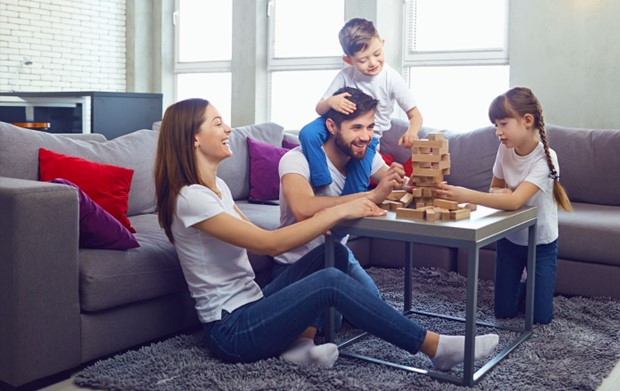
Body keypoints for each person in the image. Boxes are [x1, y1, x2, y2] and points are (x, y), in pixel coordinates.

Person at [154, 98, 500, 371]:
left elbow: (258, 233)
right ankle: (435, 348)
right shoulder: (190, 198)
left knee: (328, 255)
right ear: (194, 137)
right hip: (230, 330)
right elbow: (268, 243)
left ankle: (298, 347)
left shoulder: (217, 188)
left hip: (252, 304)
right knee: (331, 282)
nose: (229, 128)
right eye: (218, 123)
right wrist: (338, 210)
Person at [434, 87, 573, 324]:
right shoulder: (504, 150)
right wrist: (503, 195)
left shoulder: (546, 157)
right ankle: (525, 291)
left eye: (503, 124)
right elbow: (495, 189)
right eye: (495, 125)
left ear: (527, 121)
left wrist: (466, 194)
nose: (498, 132)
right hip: (510, 239)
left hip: (541, 242)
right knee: (504, 312)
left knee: (540, 317)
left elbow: (514, 200)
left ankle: (535, 290)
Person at [275, 86, 405, 299]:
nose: (365, 136)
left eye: (370, 127)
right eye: (356, 128)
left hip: (337, 254)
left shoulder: (365, 156)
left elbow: (397, 183)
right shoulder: (295, 159)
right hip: (296, 263)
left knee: (372, 300)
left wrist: (407, 180)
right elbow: (303, 208)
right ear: (331, 126)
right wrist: (372, 195)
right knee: (332, 319)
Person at [299, 17, 423, 194]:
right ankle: (322, 179)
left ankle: (351, 202)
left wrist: (412, 132)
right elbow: (319, 108)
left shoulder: (391, 79)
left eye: (377, 54)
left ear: (382, 43)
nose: (372, 63)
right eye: (363, 60)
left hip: (368, 137)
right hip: (336, 126)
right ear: (349, 60)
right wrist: (330, 102)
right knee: (307, 133)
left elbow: (416, 115)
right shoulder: (345, 75)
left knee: (357, 178)